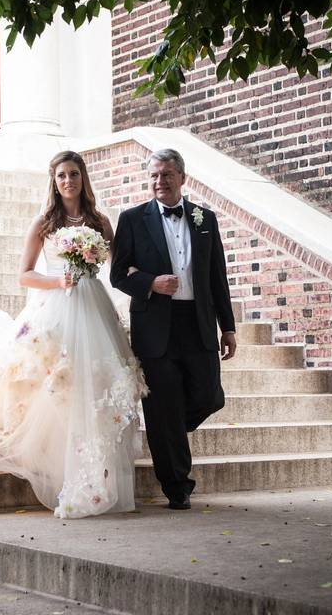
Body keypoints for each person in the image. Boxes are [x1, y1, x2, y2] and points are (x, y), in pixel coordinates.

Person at [0, 151, 147, 519]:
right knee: (57, 386)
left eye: (74, 174)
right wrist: (58, 280)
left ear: (84, 178)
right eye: (62, 175)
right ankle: (65, 467)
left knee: (96, 385)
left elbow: (117, 265)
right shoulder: (44, 223)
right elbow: (24, 274)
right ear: (54, 181)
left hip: (93, 307)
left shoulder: (99, 221)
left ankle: (98, 471)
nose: (68, 181)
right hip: (56, 306)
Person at [110, 148, 236, 510]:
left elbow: (217, 277)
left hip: (197, 324)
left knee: (211, 395)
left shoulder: (204, 218)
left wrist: (227, 327)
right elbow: (119, 274)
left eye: (166, 175)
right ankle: (177, 486)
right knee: (163, 407)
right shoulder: (133, 219)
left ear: (183, 178)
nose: (159, 182)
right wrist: (150, 283)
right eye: (153, 175)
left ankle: (170, 430)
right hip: (156, 327)